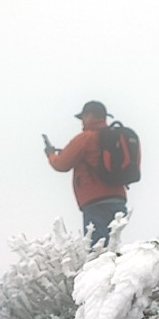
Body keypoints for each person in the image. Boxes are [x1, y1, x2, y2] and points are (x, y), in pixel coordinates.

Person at [45, 100, 128, 246]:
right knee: (113, 246)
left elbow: (61, 164)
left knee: (97, 249)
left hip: (95, 201)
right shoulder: (115, 137)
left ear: (89, 116)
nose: (82, 122)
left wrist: (51, 155)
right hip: (118, 199)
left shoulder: (84, 138)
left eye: (83, 118)